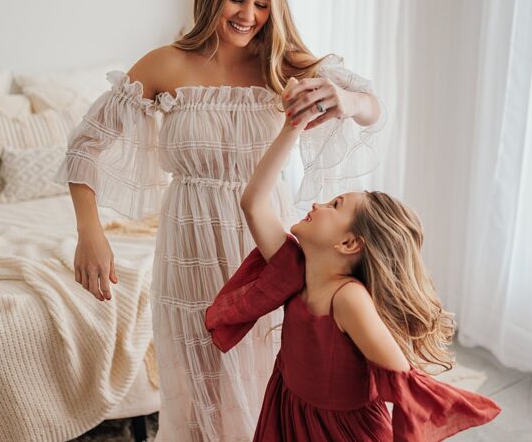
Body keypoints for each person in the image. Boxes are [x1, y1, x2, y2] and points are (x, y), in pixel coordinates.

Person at [59, 0, 382, 438]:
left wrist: (347, 98)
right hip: (186, 242)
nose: (248, 15)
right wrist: (90, 233)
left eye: (262, 4)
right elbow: (84, 147)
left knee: (263, 373)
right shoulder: (164, 64)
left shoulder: (284, 63)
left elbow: (374, 108)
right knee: (193, 384)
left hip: (263, 242)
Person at [206, 90, 500, 440]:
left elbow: (399, 373)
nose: (318, 203)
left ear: (348, 243)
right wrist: (292, 125)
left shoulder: (348, 299)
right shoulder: (293, 269)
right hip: (290, 411)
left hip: (342, 431)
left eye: (334, 204)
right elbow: (253, 203)